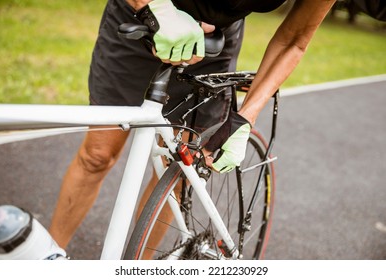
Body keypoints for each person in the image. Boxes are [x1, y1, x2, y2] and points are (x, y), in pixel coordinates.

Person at [49, 0, 337, 250]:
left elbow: (295, 38)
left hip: (212, 42)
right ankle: (52, 255)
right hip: (142, 15)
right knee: (97, 156)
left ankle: (138, 264)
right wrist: (154, 6)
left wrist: (245, 117)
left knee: (177, 168)